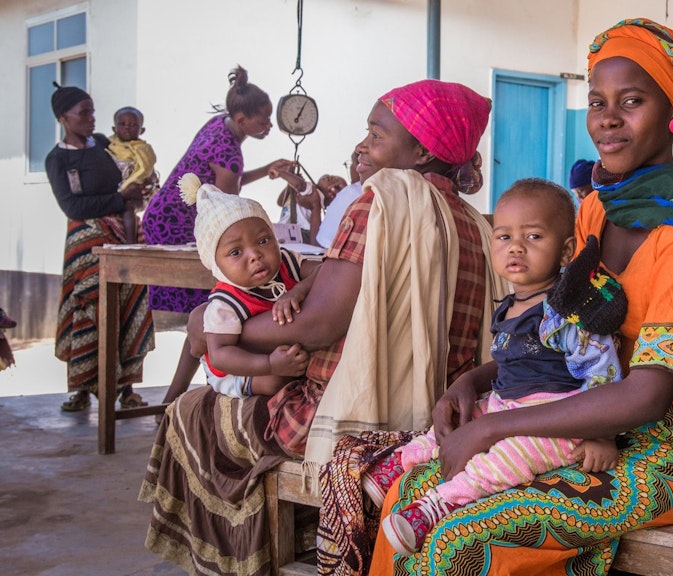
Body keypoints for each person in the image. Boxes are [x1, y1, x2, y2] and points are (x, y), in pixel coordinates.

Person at [368, 19, 673, 575]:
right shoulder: (597, 209)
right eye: (597, 101)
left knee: (460, 539)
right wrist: (474, 382)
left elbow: (647, 398)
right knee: (409, 491)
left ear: (672, 111)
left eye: (632, 101)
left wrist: (491, 426)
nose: (607, 118)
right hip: (581, 424)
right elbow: (565, 336)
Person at [140, 78, 502, 576]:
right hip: (434, 413)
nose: (361, 146)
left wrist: (221, 330)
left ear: (419, 152)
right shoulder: (473, 222)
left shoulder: (381, 202)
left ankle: (236, 562)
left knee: (191, 412)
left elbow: (315, 327)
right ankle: (295, 536)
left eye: (376, 135)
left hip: (344, 416)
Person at [371, 180, 626, 556]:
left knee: (509, 460)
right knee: (458, 419)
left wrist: (602, 435)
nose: (516, 247)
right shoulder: (509, 305)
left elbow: (603, 374)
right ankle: (404, 461)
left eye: (534, 236)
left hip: (557, 423)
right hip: (505, 405)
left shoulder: (567, 311)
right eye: (504, 236)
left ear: (566, 251)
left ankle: (441, 504)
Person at [141, 65, 294, 407]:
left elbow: (229, 184)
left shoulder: (220, 129)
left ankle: (172, 399)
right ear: (241, 119)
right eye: (263, 120)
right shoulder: (228, 150)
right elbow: (228, 202)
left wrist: (267, 169)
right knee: (212, 316)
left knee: (211, 318)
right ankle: (191, 393)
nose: (268, 126)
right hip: (176, 225)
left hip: (165, 216)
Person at [44, 84, 155, 412]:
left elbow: (128, 176)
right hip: (85, 245)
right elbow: (72, 207)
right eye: (85, 113)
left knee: (128, 307)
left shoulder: (105, 146)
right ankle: (81, 387)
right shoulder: (58, 158)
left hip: (122, 236)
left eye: (92, 111)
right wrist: (119, 199)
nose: (93, 119)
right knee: (87, 308)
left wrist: (138, 191)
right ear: (64, 118)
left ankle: (127, 390)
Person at [179, 173, 318, 398]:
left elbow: (325, 271)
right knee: (276, 382)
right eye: (236, 252)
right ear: (216, 265)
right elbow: (221, 354)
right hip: (239, 371)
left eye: (263, 241)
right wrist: (269, 364)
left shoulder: (287, 262)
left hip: (279, 354)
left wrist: (298, 289)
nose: (255, 255)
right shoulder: (224, 304)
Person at [107, 106, 158, 243]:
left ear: (142, 130)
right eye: (122, 124)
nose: (127, 128)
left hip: (137, 192)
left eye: (133, 124)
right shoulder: (109, 147)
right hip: (114, 192)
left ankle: (131, 243)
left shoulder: (144, 150)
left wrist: (129, 188)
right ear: (114, 129)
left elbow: (145, 172)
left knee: (128, 207)